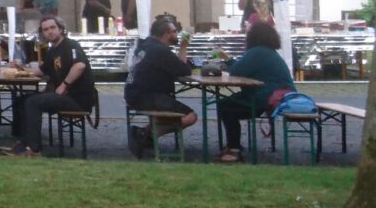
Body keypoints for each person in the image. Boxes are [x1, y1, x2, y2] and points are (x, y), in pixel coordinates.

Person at [16, 16, 98, 155]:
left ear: (61, 29)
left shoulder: (70, 45)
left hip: (77, 99)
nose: (49, 31)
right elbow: (41, 71)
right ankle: (24, 142)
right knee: (21, 100)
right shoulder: (52, 51)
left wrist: (64, 84)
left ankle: (34, 149)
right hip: (63, 96)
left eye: (53, 28)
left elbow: (79, 66)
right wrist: (21, 69)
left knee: (33, 102)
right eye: (45, 29)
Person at [216, 20, 293, 162]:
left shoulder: (256, 52)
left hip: (264, 96)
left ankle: (234, 149)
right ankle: (233, 146)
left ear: (253, 36)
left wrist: (226, 63)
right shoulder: (268, 52)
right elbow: (243, 69)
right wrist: (228, 59)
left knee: (225, 106)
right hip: (279, 95)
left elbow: (236, 71)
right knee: (229, 104)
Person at [122, 15, 198, 158]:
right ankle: (145, 135)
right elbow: (184, 71)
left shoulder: (145, 45)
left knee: (165, 115)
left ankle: (144, 134)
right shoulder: (159, 51)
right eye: (174, 31)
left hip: (133, 93)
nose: (177, 34)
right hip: (146, 96)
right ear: (166, 34)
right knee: (191, 116)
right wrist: (183, 47)